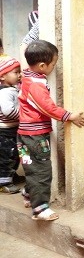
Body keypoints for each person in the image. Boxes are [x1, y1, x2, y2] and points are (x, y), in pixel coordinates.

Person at [17, 40, 84, 221]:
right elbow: (47, 107)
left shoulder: (28, 78)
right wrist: (68, 116)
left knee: (32, 166)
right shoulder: (36, 85)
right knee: (42, 170)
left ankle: (29, 193)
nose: (54, 67)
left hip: (25, 134)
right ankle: (40, 208)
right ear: (42, 65)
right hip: (35, 136)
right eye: (53, 64)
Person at [0, 56, 22, 194]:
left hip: (11, 129)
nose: (20, 75)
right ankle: (4, 182)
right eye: (16, 72)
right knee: (7, 155)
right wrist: (24, 115)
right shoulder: (5, 92)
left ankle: (10, 175)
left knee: (13, 155)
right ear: (2, 76)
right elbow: (8, 111)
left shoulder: (11, 89)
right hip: (5, 132)